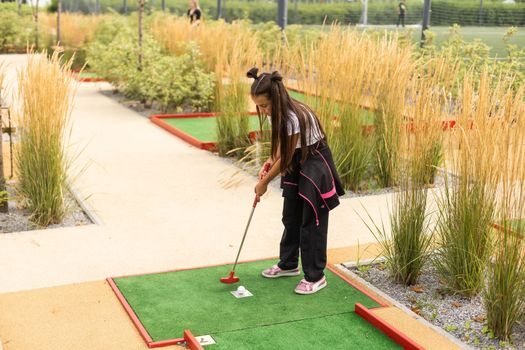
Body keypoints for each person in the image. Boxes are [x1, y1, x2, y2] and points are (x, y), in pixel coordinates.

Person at [248, 67, 345, 295]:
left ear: (276, 98)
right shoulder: (277, 114)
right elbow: (282, 148)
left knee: (311, 222)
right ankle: (288, 264)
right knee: (290, 216)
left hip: (313, 162)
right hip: (297, 160)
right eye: (259, 106)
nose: (262, 110)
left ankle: (316, 276)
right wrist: (270, 161)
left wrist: (264, 183)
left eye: (264, 105)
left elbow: (288, 156)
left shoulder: (293, 116)